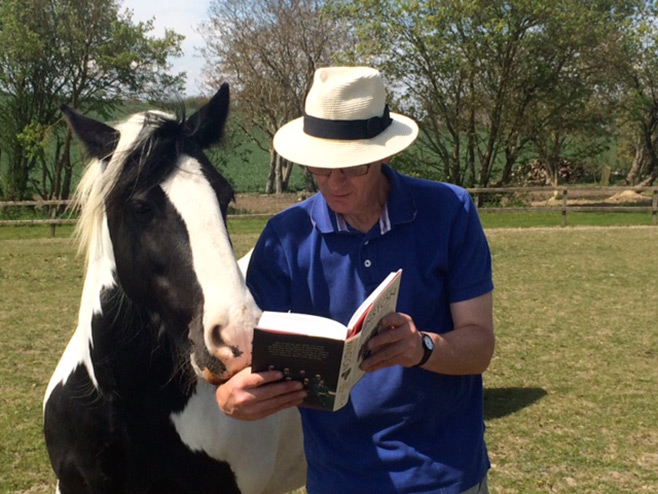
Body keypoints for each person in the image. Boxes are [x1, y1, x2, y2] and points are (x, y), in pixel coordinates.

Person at [215, 66, 494, 494]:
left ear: (384, 154)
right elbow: (240, 355)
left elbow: (479, 347)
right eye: (321, 168)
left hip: (443, 474)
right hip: (335, 477)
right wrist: (230, 396)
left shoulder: (450, 212)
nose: (334, 183)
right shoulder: (285, 236)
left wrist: (421, 348)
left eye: (352, 167)